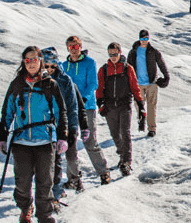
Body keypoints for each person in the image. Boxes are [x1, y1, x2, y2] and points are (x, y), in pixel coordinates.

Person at [0, 46, 68, 223]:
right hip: (21, 142)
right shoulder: (17, 85)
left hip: (45, 141)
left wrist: (62, 137)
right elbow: (7, 112)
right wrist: (3, 137)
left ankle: (44, 221)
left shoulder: (50, 85)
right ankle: (25, 207)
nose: (31, 63)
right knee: (22, 183)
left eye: (34, 59)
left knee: (45, 183)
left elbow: (61, 112)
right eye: (27, 60)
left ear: (40, 61)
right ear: (23, 62)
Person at [41, 47, 87, 206]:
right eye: (46, 65)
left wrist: (73, 128)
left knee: (68, 157)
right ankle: (52, 193)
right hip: (45, 127)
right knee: (50, 162)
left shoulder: (64, 80)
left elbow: (73, 106)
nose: (49, 69)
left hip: (64, 125)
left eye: (52, 66)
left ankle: (74, 181)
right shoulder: (36, 79)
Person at [63, 36, 110, 185]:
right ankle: (72, 178)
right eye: (70, 47)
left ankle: (104, 172)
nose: (74, 50)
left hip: (86, 107)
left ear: (80, 47)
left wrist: (82, 99)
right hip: (69, 108)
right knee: (69, 141)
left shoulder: (89, 63)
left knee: (89, 140)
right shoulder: (64, 65)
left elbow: (93, 84)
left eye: (76, 47)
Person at [96, 42, 145, 177]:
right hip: (110, 106)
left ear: (120, 52)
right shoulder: (104, 70)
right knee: (115, 134)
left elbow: (135, 87)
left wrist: (140, 105)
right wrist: (100, 104)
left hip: (124, 105)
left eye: (115, 54)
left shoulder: (127, 68)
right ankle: (122, 156)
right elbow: (99, 89)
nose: (113, 57)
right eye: (110, 54)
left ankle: (126, 162)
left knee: (125, 133)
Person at [127, 30, 170, 138]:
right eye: (142, 39)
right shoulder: (133, 52)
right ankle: (142, 119)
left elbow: (161, 64)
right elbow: (127, 68)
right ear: (139, 39)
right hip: (138, 84)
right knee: (138, 106)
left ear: (148, 38)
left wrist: (166, 76)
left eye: (146, 39)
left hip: (152, 83)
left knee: (151, 107)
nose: (144, 41)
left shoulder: (153, 51)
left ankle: (152, 129)